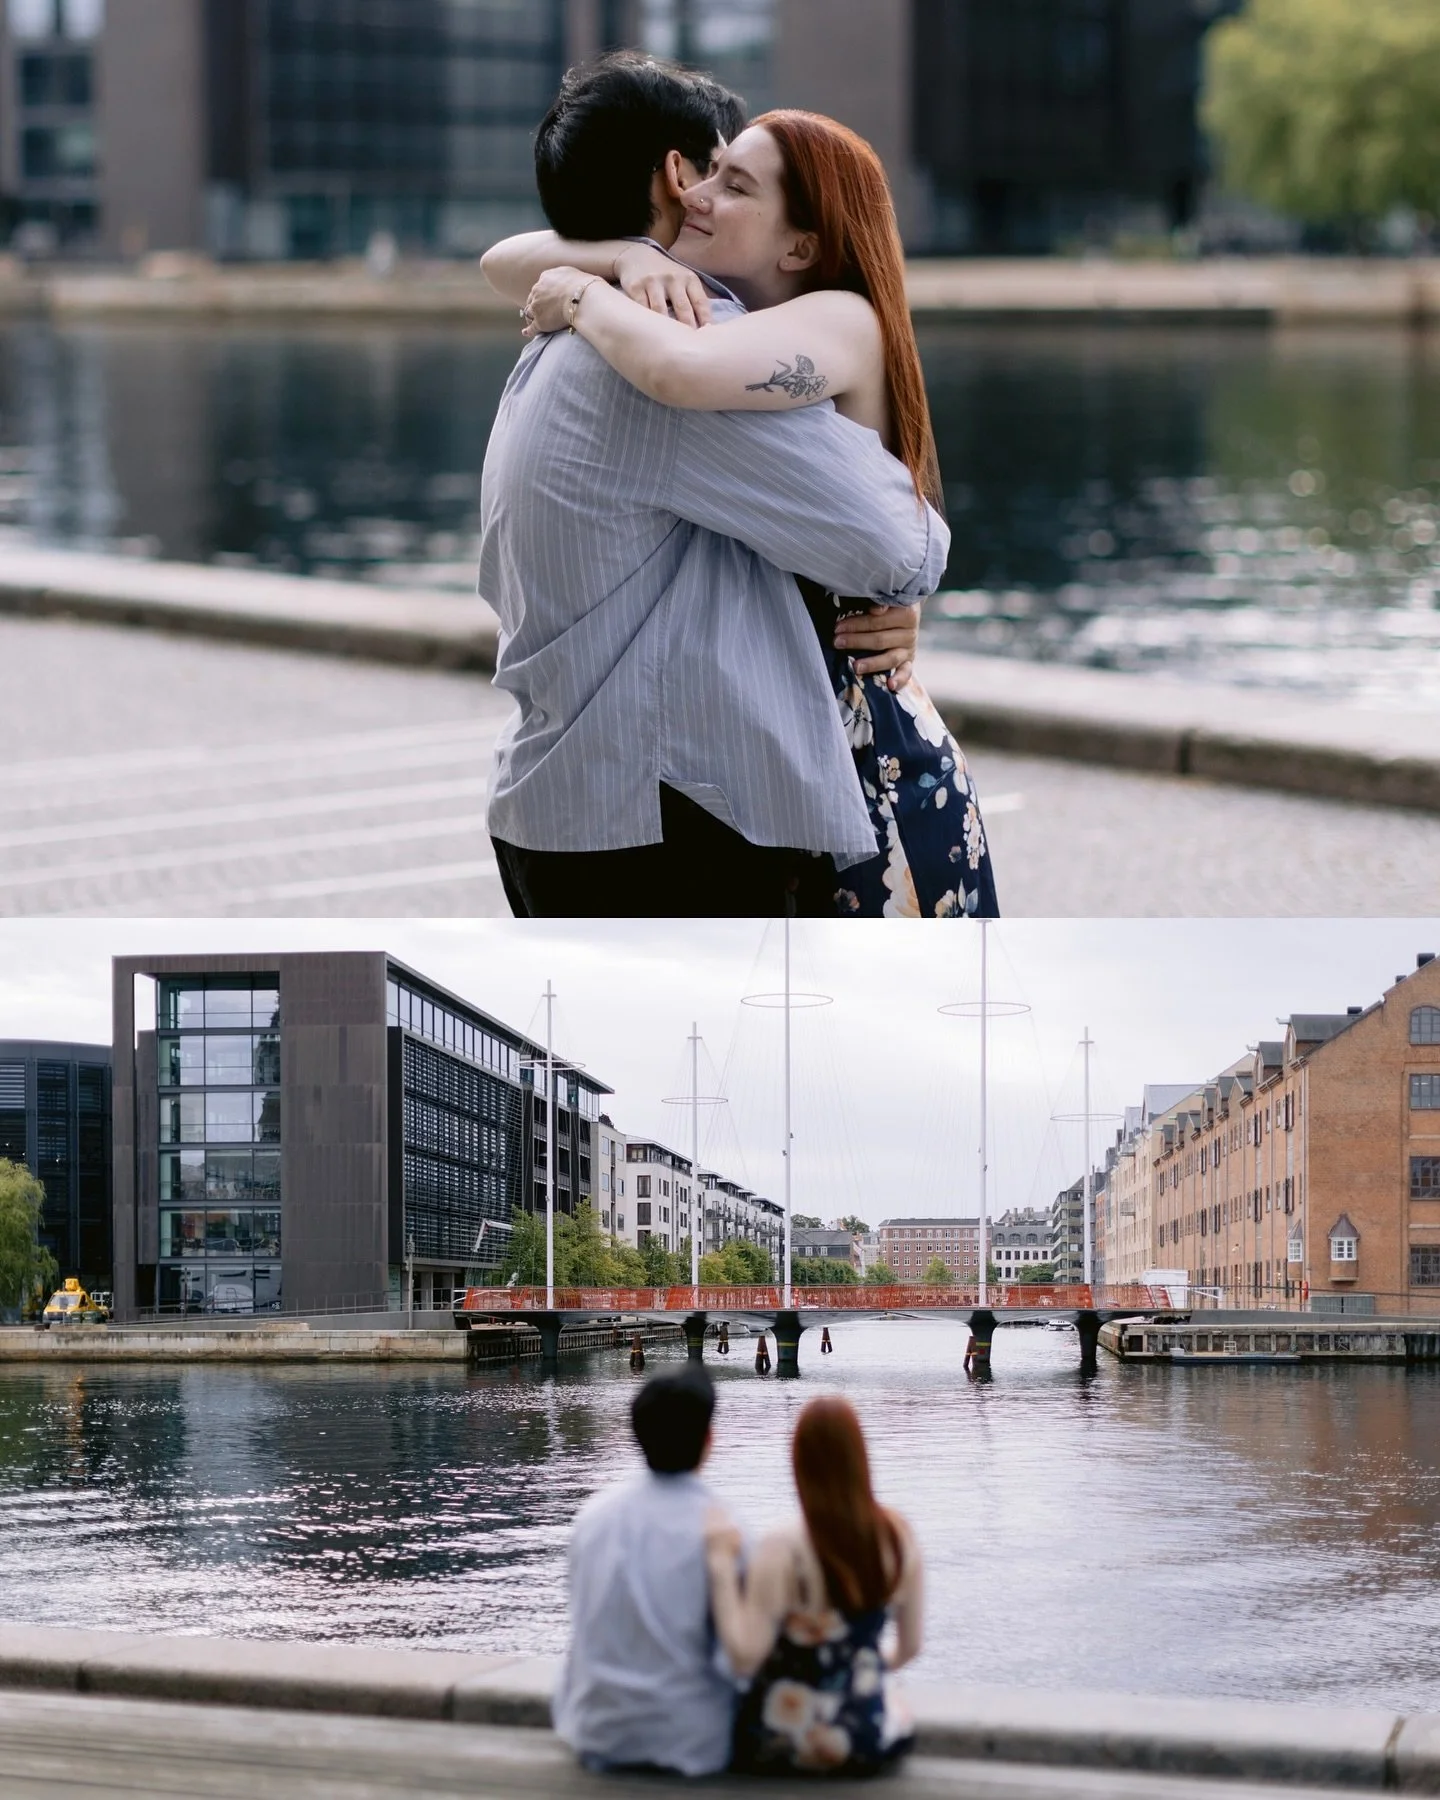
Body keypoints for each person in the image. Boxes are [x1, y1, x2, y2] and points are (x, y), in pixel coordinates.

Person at [493, 108, 999, 918]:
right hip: (811, 744)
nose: (696, 194)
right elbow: (499, 259)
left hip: (870, 755)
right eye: (707, 172)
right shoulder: (737, 321)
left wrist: (583, 293)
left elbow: (679, 371)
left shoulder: (837, 318)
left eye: (734, 186)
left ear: (799, 247)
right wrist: (624, 256)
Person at [704, 1395, 923, 1774]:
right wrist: (858, 1666)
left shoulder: (781, 1546)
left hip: (778, 1739)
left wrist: (721, 1567)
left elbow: (744, 1658)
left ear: (798, 1463)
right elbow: (909, 1648)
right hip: (862, 1739)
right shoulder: (898, 1538)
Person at [553, 1366, 736, 1774]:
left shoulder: (592, 1518)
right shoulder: (725, 1526)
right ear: (708, 1439)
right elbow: (736, 1658)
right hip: (691, 1743)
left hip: (596, 1733)